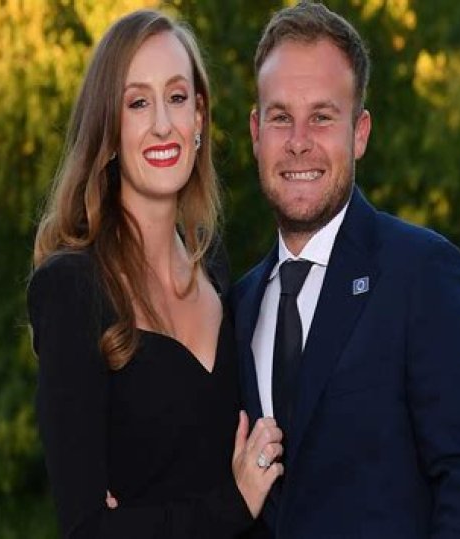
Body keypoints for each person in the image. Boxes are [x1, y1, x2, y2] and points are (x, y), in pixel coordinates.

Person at [231, 2, 460, 538]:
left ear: (359, 132)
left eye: (322, 117)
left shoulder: (421, 274)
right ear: (256, 132)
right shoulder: (237, 306)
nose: (298, 141)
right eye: (281, 117)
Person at [27, 10, 284, 538]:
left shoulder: (214, 267)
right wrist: (234, 504)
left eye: (177, 97)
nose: (163, 124)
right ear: (108, 128)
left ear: (199, 118)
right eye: (138, 103)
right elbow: (87, 529)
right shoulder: (72, 288)